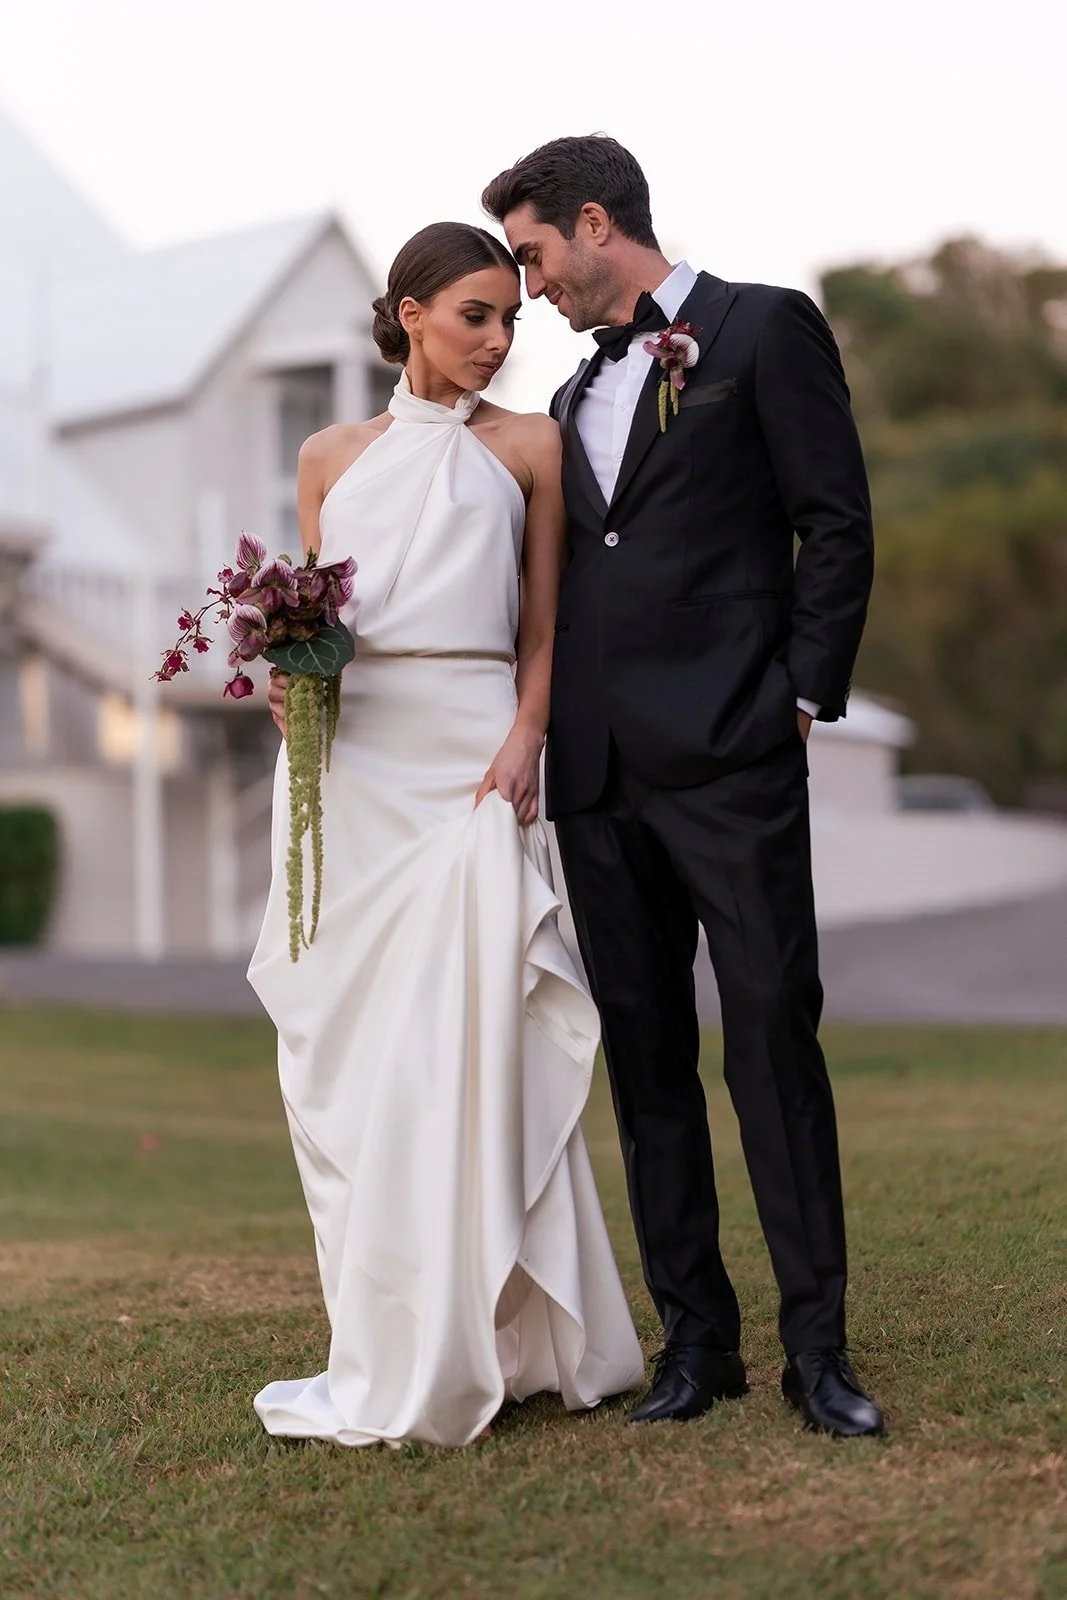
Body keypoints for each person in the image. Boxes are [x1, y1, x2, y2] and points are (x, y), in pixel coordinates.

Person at [482, 137, 884, 1437]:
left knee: (769, 1040)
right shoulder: (563, 399)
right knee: (646, 1065)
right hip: (597, 783)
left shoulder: (761, 330)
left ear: (594, 222)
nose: (527, 287)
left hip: (731, 764)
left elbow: (833, 521)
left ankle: (814, 1352)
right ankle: (691, 1345)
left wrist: (799, 695)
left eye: (534, 255)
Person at [247, 222, 644, 1449]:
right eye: (474, 315)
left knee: (474, 1035)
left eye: (509, 319)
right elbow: (315, 618)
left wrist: (527, 733)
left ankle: (503, 1330)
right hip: (352, 767)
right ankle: (388, 1327)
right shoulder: (326, 455)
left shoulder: (527, 446)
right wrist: (285, 676)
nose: (497, 339)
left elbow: (543, 626)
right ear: (409, 312)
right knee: (359, 1061)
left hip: (473, 762)